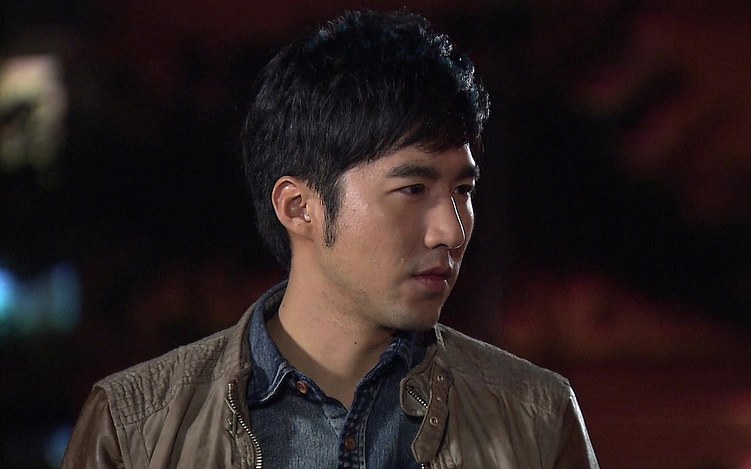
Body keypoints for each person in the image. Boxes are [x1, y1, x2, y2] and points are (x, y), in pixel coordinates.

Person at [62, 10, 598, 468]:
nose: (451, 231)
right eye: (413, 190)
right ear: (300, 207)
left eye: (462, 191)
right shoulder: (133, 430)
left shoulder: (535, 417)